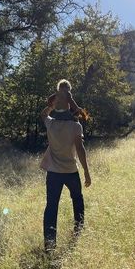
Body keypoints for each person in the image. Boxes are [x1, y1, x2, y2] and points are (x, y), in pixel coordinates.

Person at [40, 105, 91, 251]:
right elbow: (80, 149)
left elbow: (43, 114)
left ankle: (50, 244)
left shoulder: (51, 123)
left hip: (53, 173)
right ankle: (78, 232)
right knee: (77, 200)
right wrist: (86, 171)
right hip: (70, 171)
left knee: (51, 207)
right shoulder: (76, 126)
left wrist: (51, 104)